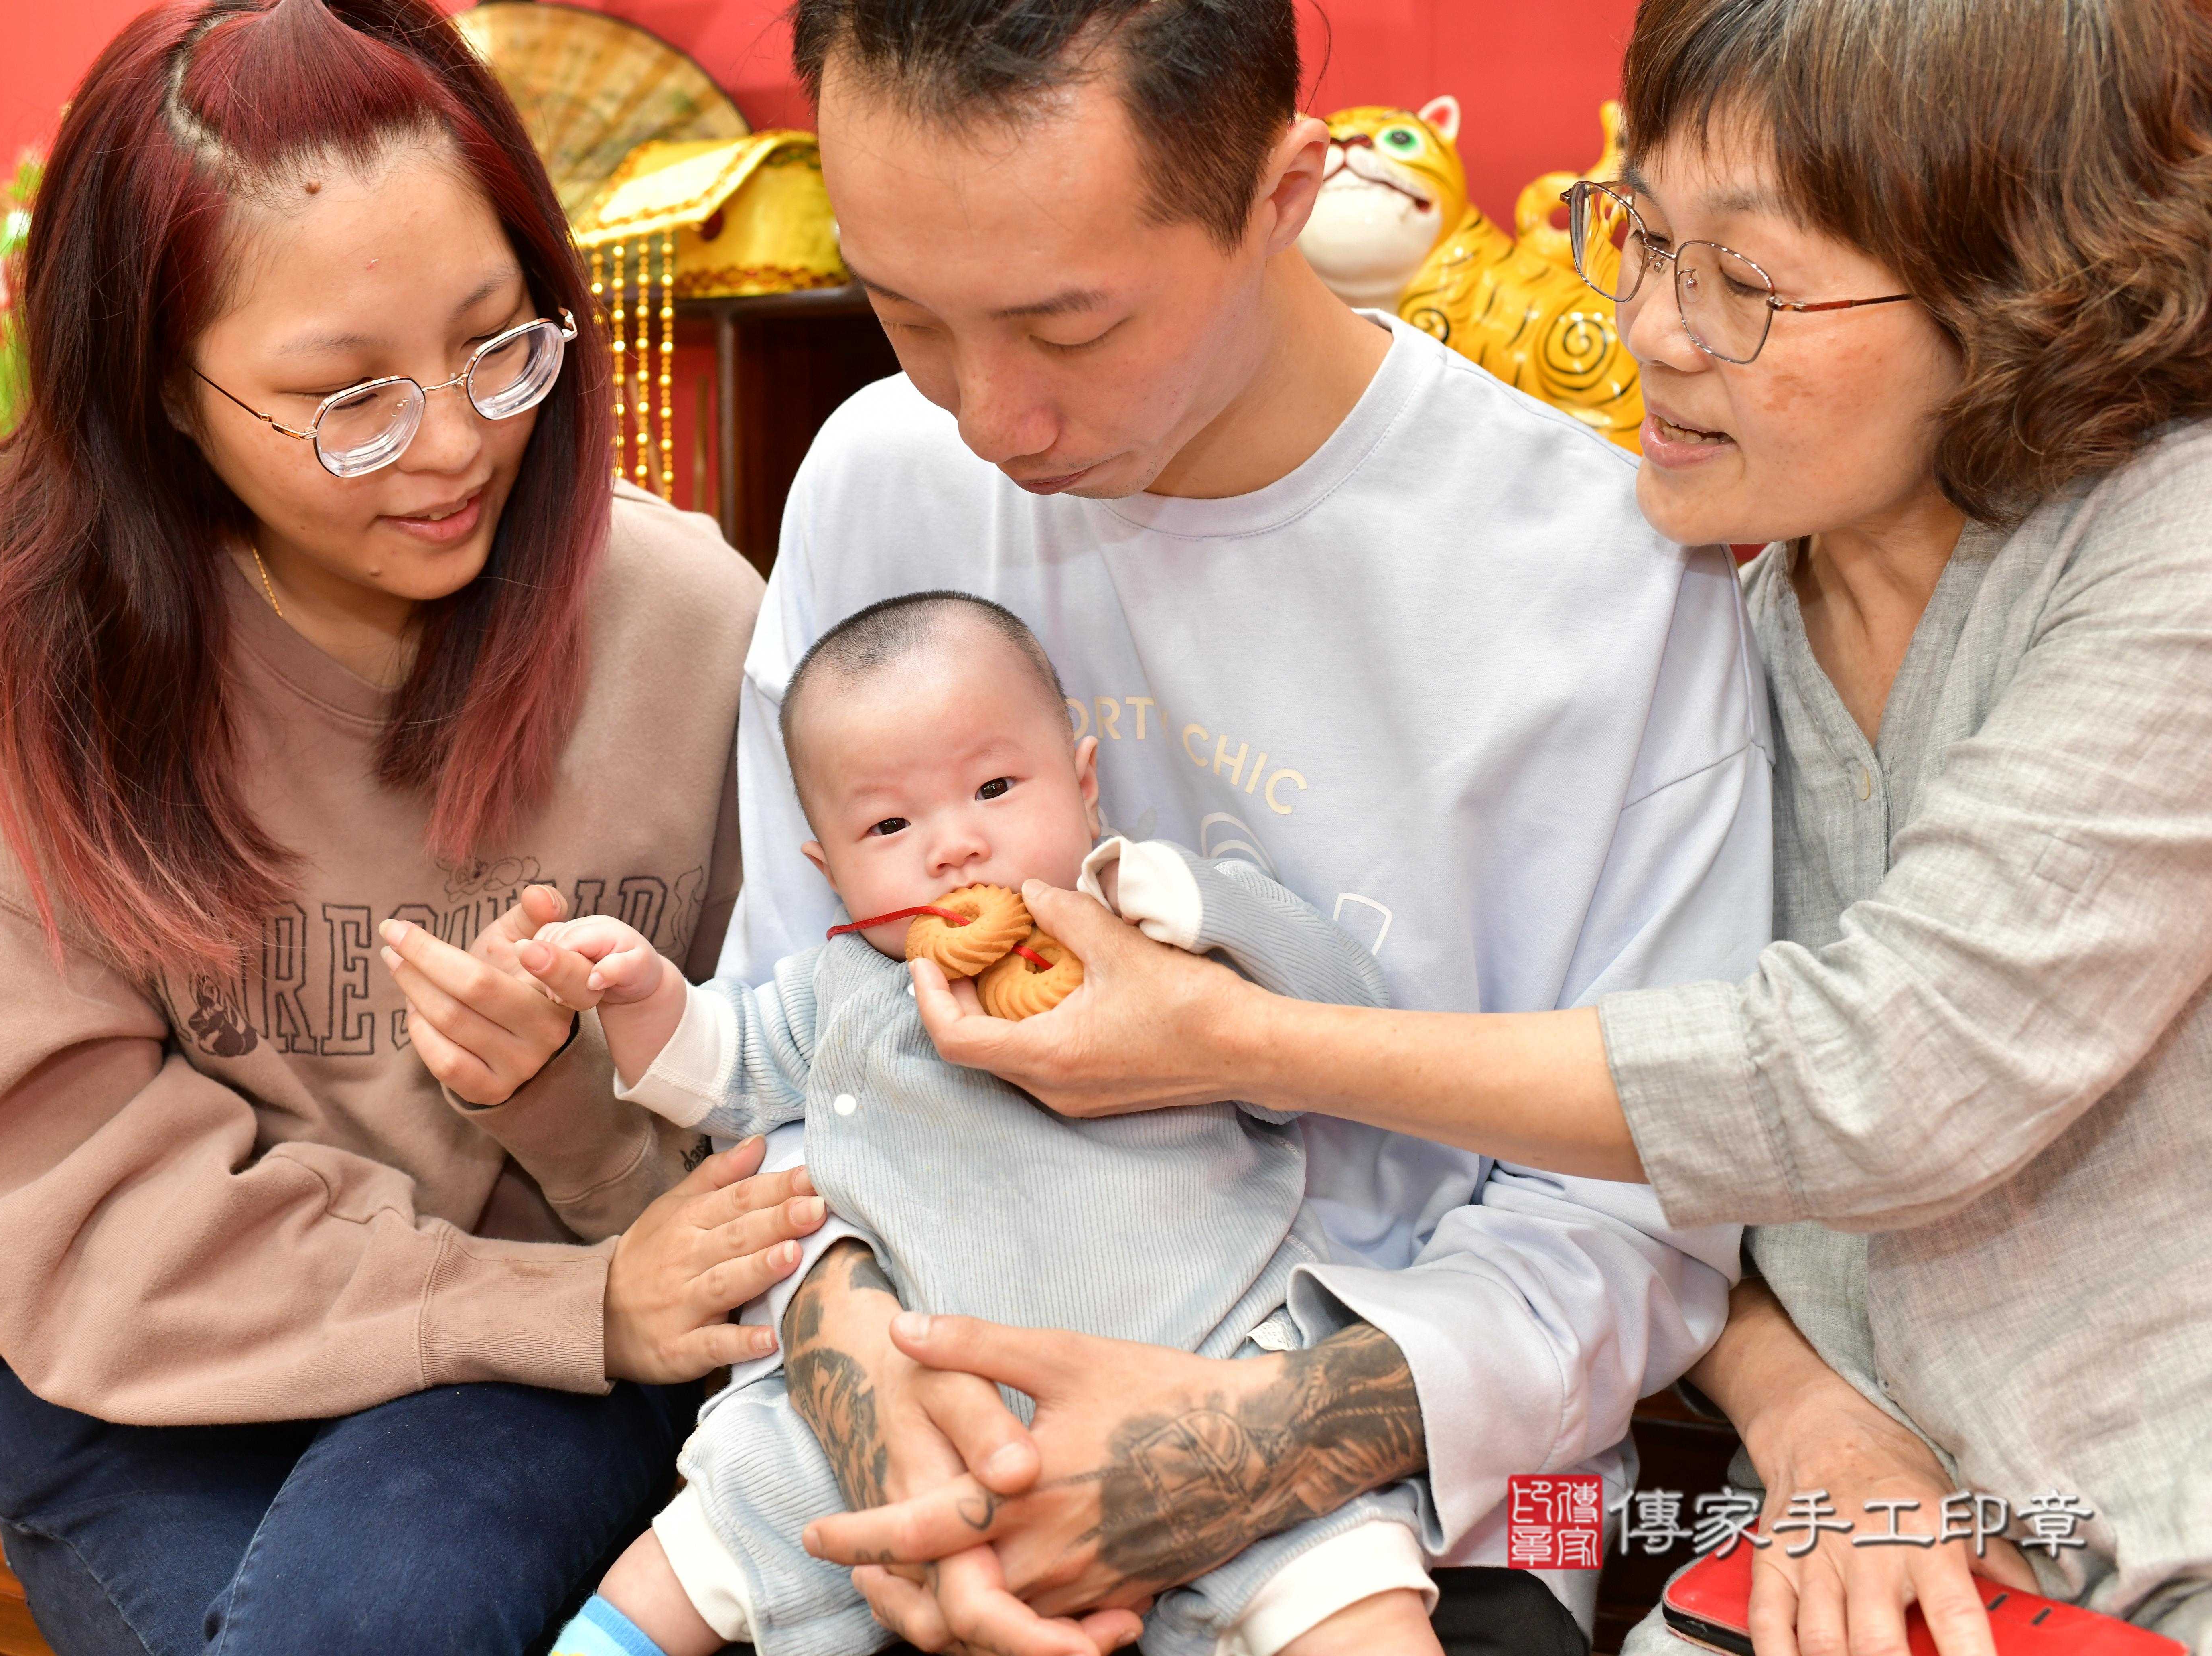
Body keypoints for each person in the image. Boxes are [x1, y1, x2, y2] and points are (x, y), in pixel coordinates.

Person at [843, 2, 2212, 1654]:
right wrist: (1800, 1411)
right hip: (1822, 1526)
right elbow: (1701, 1177)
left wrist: (1238, 1039)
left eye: (1744, 283)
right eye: (1642, 237)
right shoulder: (1739, 574)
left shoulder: (2154, 557)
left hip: (2130, 1521)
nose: (1651, 329)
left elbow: (1867, 1078)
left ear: (2024, 290)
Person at [711, 0, 1776, 1652]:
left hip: (1404, 1542)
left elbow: (1638, 1212)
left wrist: (1221, 1453)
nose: (989, 416)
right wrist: (885, 1411)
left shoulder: (1594, 581)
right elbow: (787, 1064)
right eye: (906, 311)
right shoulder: (877, 475)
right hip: (917, 1480)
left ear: (1287, 195)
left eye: (1068, 327)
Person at [0, 1, 821, 1650]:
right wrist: (556, 1294)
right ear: (163, 393)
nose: (455, 446)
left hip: (556, 1356)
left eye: (498, 344)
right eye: (349, 400)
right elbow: (59, 1194)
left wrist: (575, 1130)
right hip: (152, 1373)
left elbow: (784, 1126)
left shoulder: (687, 623)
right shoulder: (40, 643)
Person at [525, 591, 1421, 1656]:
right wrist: (644, 1001)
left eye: (996, 787)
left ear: (1087, 786)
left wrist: (1199, 901)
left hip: (1200, 1374)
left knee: (1346, 1580)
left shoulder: (1163, 946)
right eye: (890, 827)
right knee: (721, 1517)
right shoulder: (847, 988)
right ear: (831, 869)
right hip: (924, 1412)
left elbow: (1347, 1028)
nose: (955, 846)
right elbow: (723, 1077)